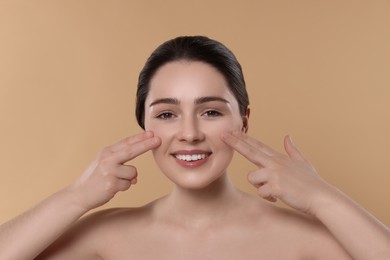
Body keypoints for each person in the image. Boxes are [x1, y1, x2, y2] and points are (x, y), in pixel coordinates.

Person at [0, 36, 389, 260]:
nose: (189, 134)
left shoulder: (308, 239)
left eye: (211, 111)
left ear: (244, 120)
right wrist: (75, 197)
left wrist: (324, 198)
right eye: (167, 114)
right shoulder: (106, 236)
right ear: (145, 124)